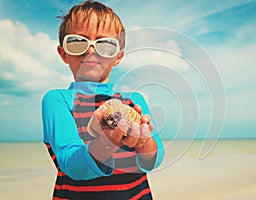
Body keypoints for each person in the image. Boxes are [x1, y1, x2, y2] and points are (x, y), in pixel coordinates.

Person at [41, 1, 164, 199]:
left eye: (105, 44)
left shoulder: (133, 100)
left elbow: (153, 160)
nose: (91, 50)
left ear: (118, 56)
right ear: (64, 53)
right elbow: (73, 167)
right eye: (77, 42)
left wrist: (143, 142)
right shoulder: (58, 101)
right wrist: (106, 142)